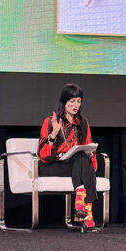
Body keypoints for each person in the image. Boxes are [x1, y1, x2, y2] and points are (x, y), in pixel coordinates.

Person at [38, 83, 99, 231]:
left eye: (78, 101)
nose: (75, 105)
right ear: (64, 102)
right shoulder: (51, 121)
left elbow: (88, 144)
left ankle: (80, 204)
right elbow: (44, 155)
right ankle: (87, 213)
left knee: (81, 158)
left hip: (76, 165)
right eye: (72, 101)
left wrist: (90, 153)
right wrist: (53, 134)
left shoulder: (82, 122)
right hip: (53, 165)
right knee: (82, 163)